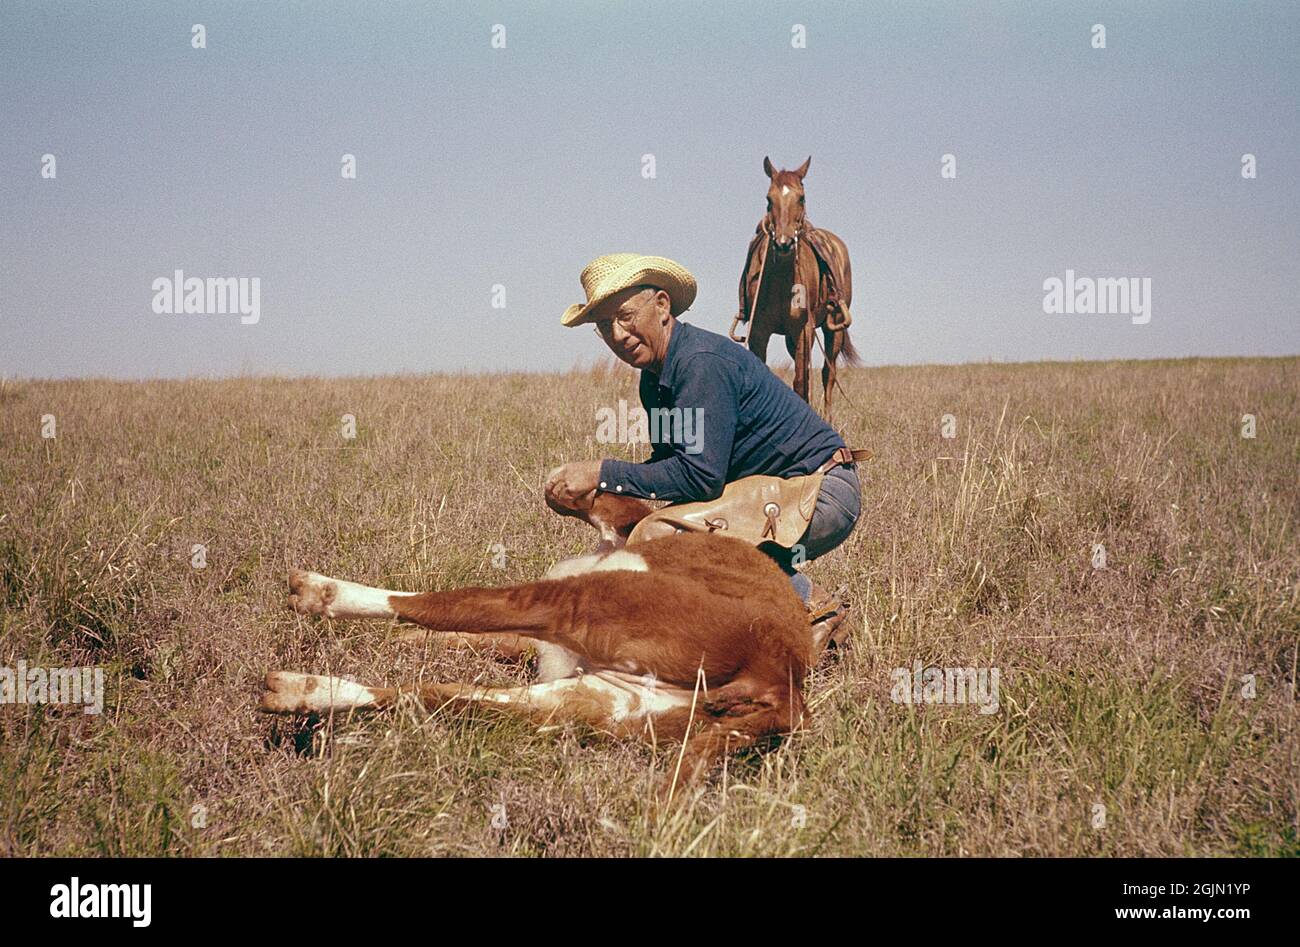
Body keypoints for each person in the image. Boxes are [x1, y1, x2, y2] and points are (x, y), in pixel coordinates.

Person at [545, 254, 862, 640]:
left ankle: (813, 609)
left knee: (666, 538)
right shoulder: (655, 379)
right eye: (604, 325)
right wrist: (605, 491)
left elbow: (699, 478)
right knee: (668, 531)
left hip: (819, 490)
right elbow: (671, 467)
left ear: (662, 305)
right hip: (775, 492)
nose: (618, 334)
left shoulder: (699, 364)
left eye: (625, 315)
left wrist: (602, 472)